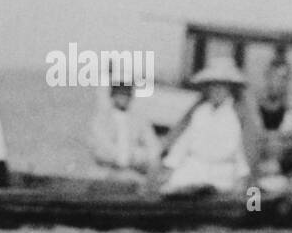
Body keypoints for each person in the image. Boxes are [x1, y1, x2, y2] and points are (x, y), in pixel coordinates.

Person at [161, 58, 250, 194]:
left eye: (221, 86)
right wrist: (170, 166)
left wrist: (242, 178)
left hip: (222, 174)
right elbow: (184, 143)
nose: (217, 90)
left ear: (229, 88)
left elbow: (242, 152)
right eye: (213, 86)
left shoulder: (237, 115)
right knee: (171, 190)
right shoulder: (200, 112)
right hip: (194, 168)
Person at [90, 79, 160, 176]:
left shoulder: (139, 120)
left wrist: (138, 155)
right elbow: (100, 147)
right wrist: (119, 155)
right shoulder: (102, 120)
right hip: (105, 171)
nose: (123, 99)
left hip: (132, 172)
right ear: (113, 96)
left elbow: (154, 146)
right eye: (120, 95)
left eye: (126, 95)